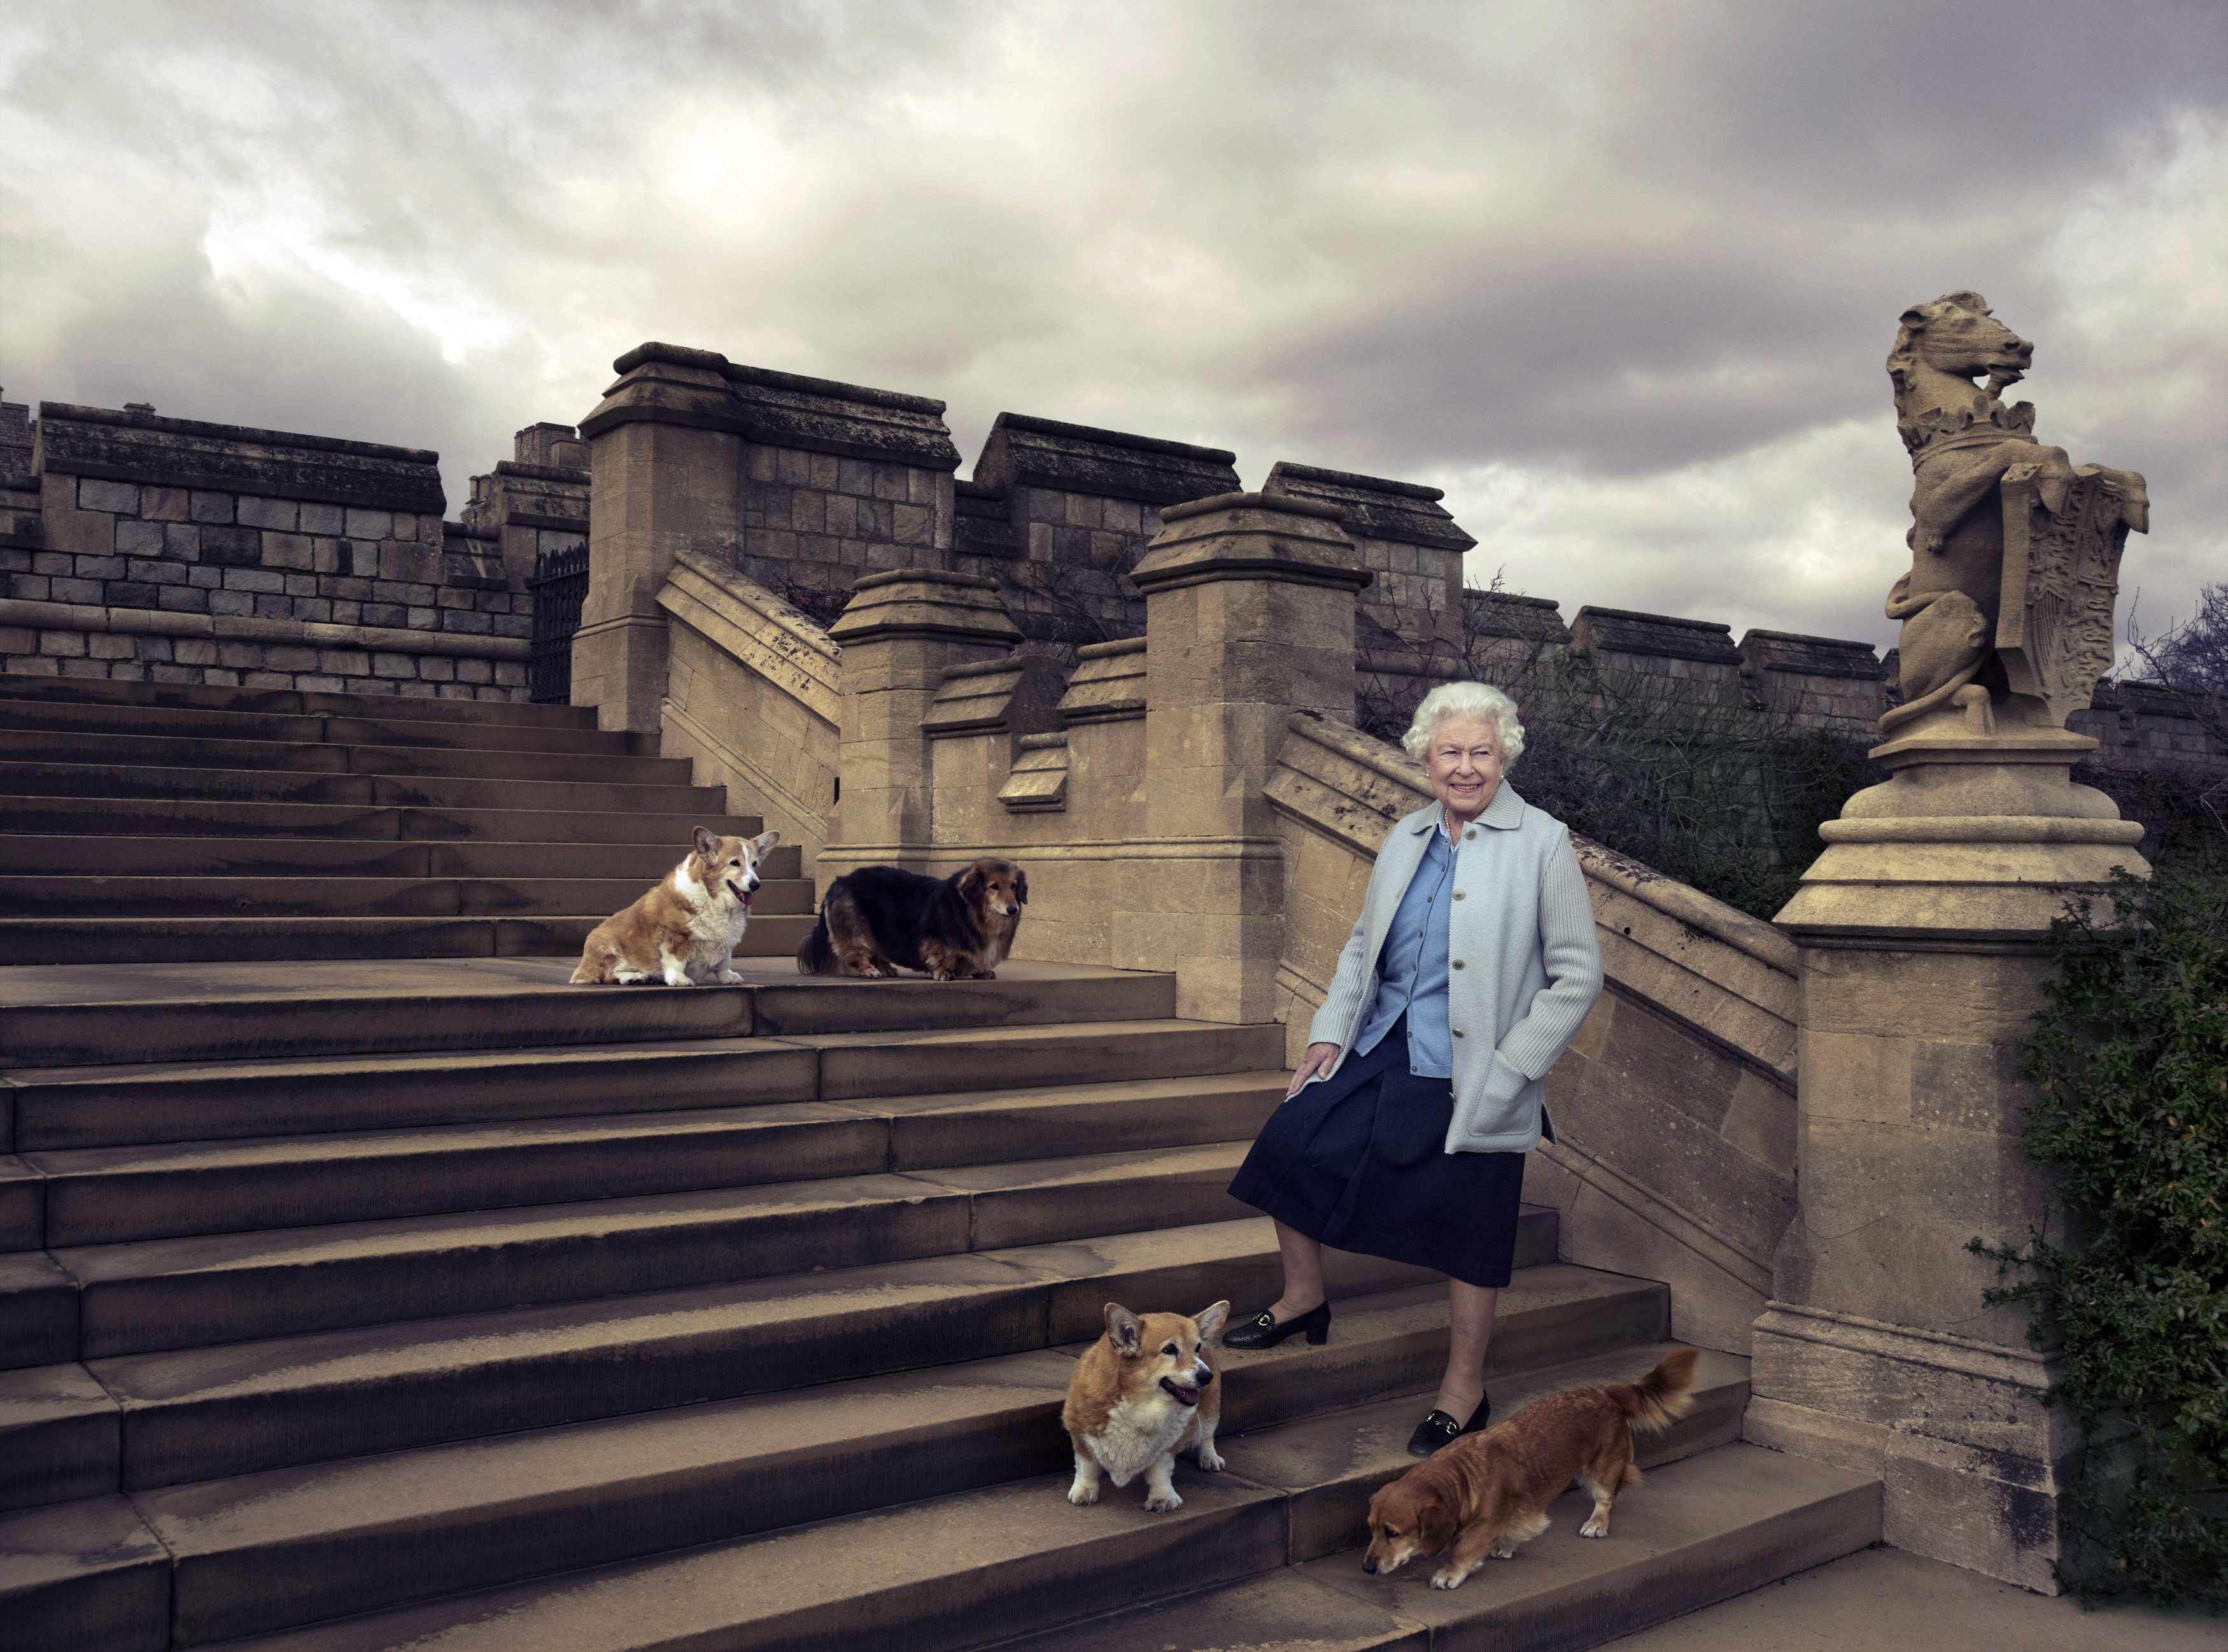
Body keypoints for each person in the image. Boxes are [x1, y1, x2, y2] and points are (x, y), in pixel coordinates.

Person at [1223, 681, 1604, 1457]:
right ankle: (1303, 1300)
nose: (1463, 768)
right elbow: (1364, 946)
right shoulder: (1404, 836)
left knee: (1471, 1226)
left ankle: (1463, 1392)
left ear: (1504, 758)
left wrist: (1513, 1070)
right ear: (1425, 758)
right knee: (1289, 1144)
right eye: (1449, 753)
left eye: (1480, 753)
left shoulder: (1542, 842)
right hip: (1383, 1041)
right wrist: (1329, 1033)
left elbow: (1577, 974)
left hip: (1477, 1069)